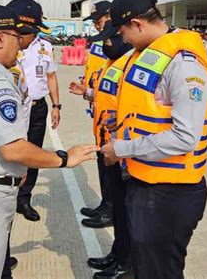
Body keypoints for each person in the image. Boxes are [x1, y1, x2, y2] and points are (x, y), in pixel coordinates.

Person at [0, 4, 98, 279]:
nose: (22, 46)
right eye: (17, 37)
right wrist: (64, 158)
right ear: (0, 39)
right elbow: (13, 148)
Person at [101, 0, 207, 279]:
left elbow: (184, 137)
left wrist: (122, 148)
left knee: (160, 271)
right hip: (145, 182)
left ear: (137, 24)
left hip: (169, 193)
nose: (121, 39)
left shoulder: (184, 65)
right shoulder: (148, 55)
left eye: (123, 31)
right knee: (145, 266)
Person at [70, 21, 134, 278]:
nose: (105, 45)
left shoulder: (129, 66)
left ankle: (126, 264)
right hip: (109, 144)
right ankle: (117, 254)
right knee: (118, 207)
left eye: (109, 40)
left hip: (124, 150)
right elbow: (106, 96)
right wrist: (86, 92)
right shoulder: (113, 64)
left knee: (127, 210)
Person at [4, 0, 61, 223]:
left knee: (33, 153)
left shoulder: (45, 47)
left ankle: (24, 199)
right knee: (10, 152)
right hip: (12, 109)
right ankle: (8, 195)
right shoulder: (7, 46)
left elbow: (51, 76)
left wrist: (56, 105)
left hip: (38, 107)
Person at [77, 0, 114, 228]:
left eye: (99, 20)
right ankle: (106, 203)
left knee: (110, 161)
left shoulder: (117, 43)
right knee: (102, 160)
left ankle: (111, 209)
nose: (97, 26)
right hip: (97, 107)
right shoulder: (101, 42)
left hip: (110, 114)